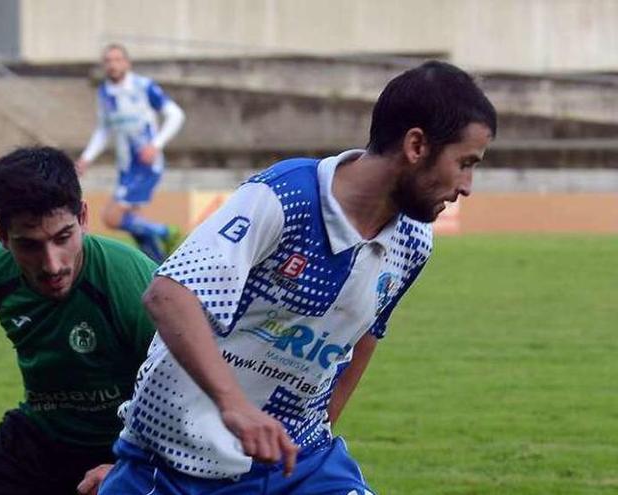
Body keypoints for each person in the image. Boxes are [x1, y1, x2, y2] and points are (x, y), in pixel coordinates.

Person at [99, 61, 498, 494]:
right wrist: (234, 406)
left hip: (300, 461)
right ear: (417, 145)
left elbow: (365, 337)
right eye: (464, 163)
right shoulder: (285, 196)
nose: (468, 185)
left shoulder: (413, 241)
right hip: (178, 464)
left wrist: (319, 430)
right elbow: (169, 294)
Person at [0, 147, 158, 495]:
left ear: (83, 217)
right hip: (39, 437)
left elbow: (187, 391)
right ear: (1, 234)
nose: (52, 265)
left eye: (63, 238)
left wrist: (132, 463)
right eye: (30, 245)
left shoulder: (133, 284)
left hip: (121, 446)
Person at [76, 43, 185, 263]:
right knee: (135, 224)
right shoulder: (105, 92)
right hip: (126, 166)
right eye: (108, 61)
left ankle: (166, 232)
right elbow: (104, 129)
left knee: (112, 217)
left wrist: (156, 145)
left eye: (117, 60)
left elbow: (176, 115)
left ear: (127, 63)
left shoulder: (143, 87)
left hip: (145, 164)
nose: (113, 65)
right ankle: (158, 264)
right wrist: (86, 158)